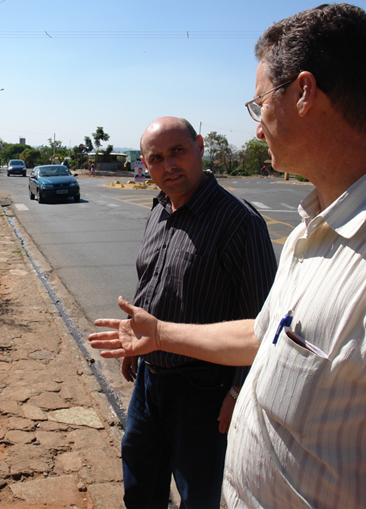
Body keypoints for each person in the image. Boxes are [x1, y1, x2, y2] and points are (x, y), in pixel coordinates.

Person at [89, 4, 366, 509]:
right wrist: (158, 334)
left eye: (258, 104)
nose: (256, 128)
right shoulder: (312, 229)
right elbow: (261, 334)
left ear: (304, 93)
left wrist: (227, 392)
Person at [118, 116, 276, 508]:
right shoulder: (159, 209)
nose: (168, 165)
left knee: (199, 495)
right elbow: (152, 281)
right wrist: (134, 339)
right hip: (149, 382)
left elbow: (263, 320)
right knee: (140, 482)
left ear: (200, 147)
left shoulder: (239, 222)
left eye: (177, 152)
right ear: (145, 164)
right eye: (156, 158)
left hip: (205, 390)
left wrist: (240, 390)